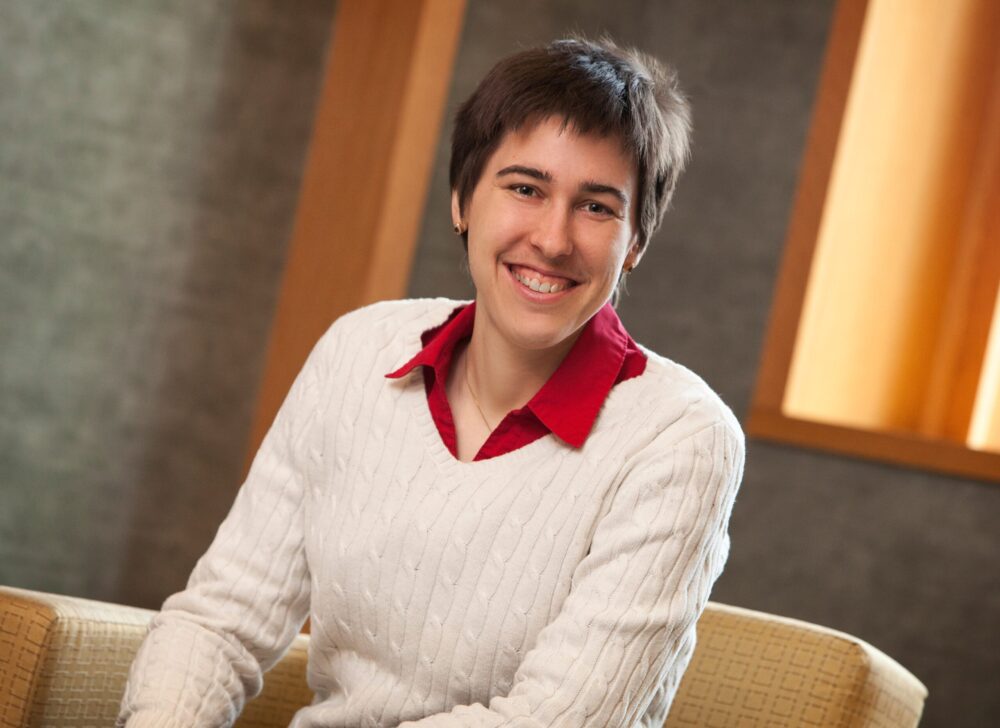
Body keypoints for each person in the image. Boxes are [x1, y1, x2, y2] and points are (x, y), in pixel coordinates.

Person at [118, 37, 744, 728]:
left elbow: (554, 721)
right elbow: (220, 620)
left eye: (596, 207)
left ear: (635, 243)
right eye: (525, 188)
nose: (554, 238)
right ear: (462, 199)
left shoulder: (678, 435)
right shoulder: (361, 351)